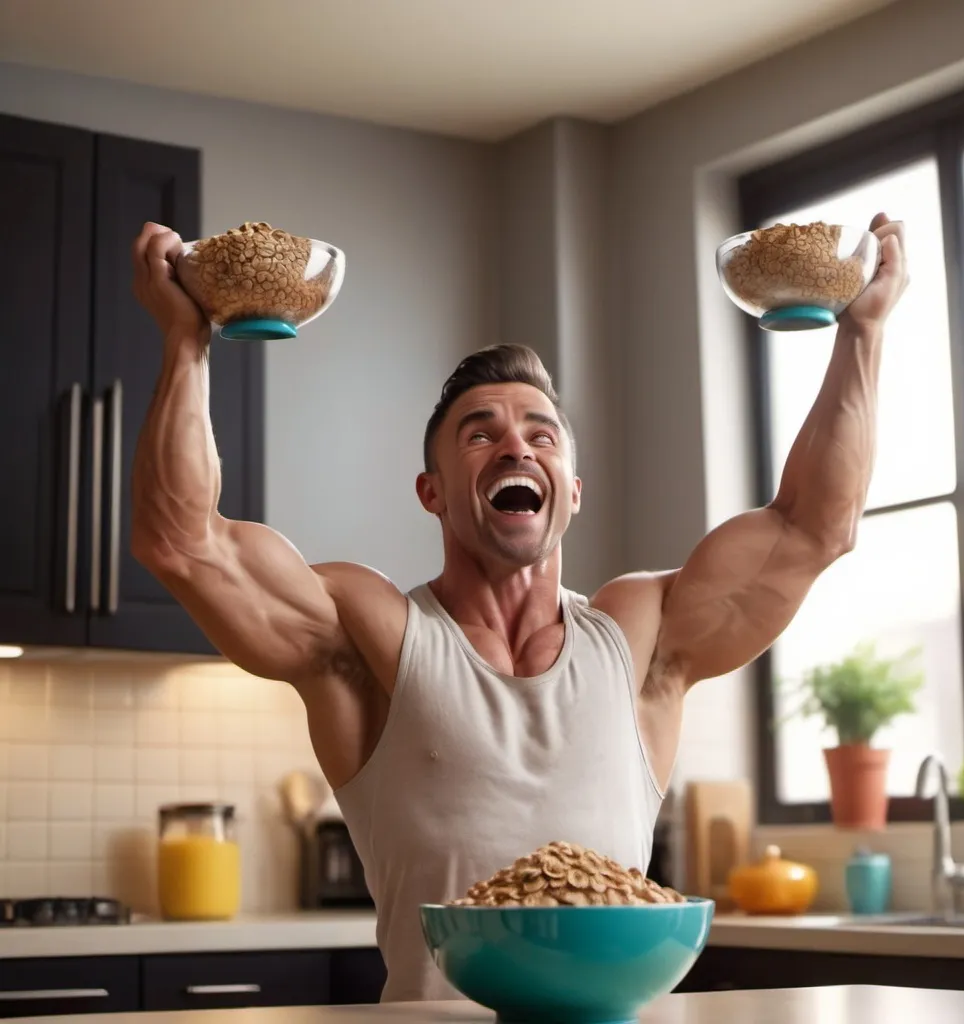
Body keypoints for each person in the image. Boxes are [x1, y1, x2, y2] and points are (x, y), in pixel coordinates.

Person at [129, 213, 907, 1001]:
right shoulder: (373, 636)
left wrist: (863, 334)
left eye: (542, 435)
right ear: (430, 492)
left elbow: (815, 524)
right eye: (480, 434)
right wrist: (185, 342)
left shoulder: (640, 640)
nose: (515, 448)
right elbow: (184, 542)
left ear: (571, 489)